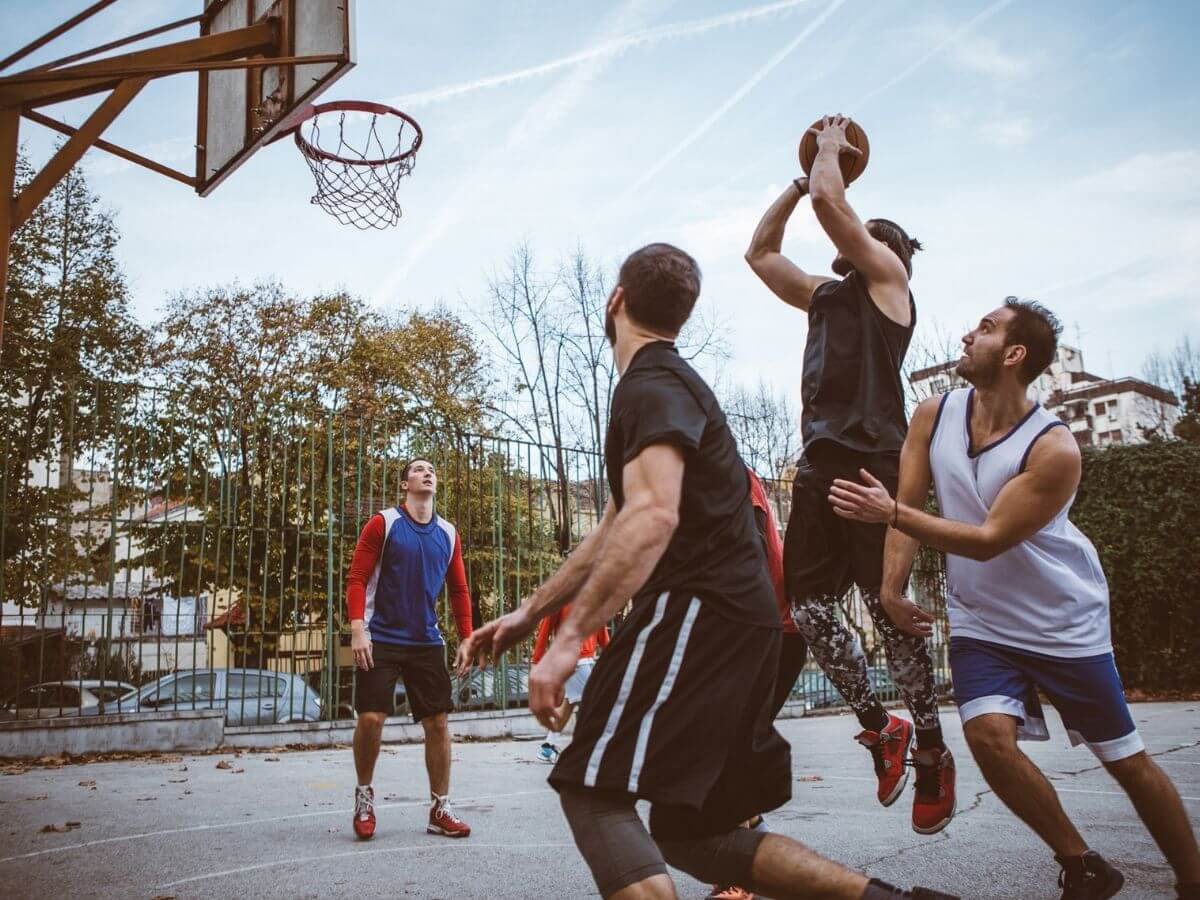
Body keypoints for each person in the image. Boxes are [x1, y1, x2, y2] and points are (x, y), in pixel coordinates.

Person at [458, 242, 956, 900]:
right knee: (697, 834)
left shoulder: (652, 384)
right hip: (741, 623)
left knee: (592, 789)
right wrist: (530, 614)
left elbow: (653, 519)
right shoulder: (669, 386)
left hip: (699, 610)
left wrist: (570, 644)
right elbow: (616, 522)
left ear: (616, 303)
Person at [827, 299, 1200, 900]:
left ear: (1014, 354)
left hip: (1061, 620)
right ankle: (1081, 864)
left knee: (1125, 759)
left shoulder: (1053, 449)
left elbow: (988, 540)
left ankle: (1192, 879)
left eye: (986, 328)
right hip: (982, 618)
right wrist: (890, 589)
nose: (968, 334)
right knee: (987, 738)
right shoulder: (933, 415)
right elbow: (908, 507)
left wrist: (894, 512)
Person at [745, 115, 954, 835]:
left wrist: (830, 155)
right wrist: (797, 182)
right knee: (807, 610)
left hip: (875, 465)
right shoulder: (825, 298)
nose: (852, 241)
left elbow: (837, 211)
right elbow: (760, 253)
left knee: (889, 610)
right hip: (819, 465)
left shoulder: (891, 285)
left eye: (866, 235)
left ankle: (931, 749)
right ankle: (881, 727)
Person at [345, 458, 474, 841]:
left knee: (438, 723)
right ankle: (364, 796)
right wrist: (357, 629)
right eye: (419, 469)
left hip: (425, 641)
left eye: (432, 468)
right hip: (380, 637)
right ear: (405, 484)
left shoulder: (448, 533)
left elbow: (459, 590)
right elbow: (357, 578)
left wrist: (467, 637)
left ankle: (440, 807)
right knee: (370, 719)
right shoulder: (384, 524)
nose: (428, 472)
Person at [707, 469, 810, 900]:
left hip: (769, 629)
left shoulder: (725, 471)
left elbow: (752, 549)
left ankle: (738, 870)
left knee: (725, 744)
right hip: (758, 628)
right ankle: (754, 843)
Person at [531, 604, 610, 764]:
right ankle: (589, 750)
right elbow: (545, 627)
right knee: (598, 702)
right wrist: (537, 658)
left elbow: (601, 631)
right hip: (573, 660)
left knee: (568, 705)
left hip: (583, 661)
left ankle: (548, 747)